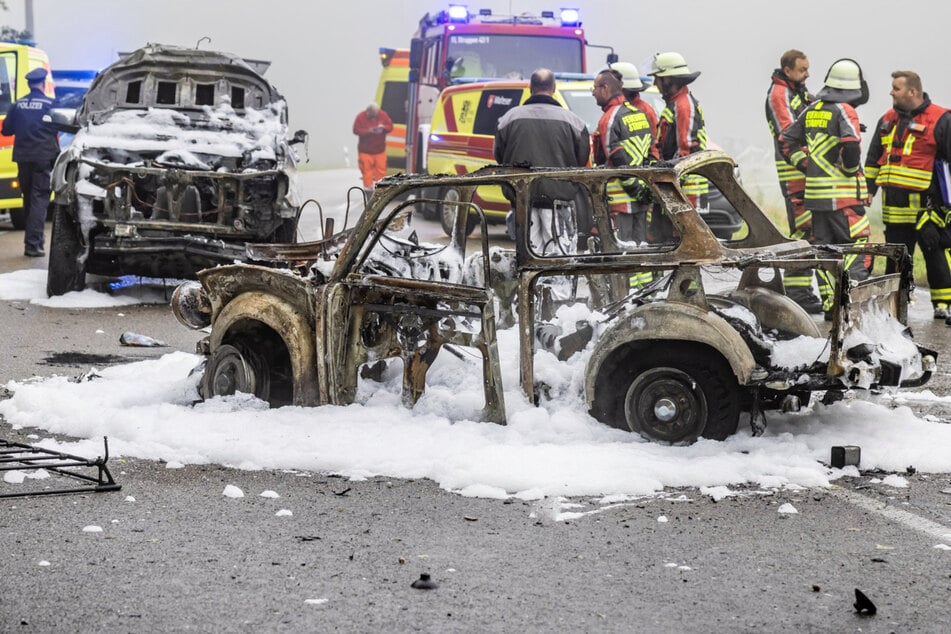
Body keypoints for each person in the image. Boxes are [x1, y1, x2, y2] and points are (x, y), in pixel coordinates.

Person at [781, 59, 872, 317]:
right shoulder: (845, 110)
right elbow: (852, 147)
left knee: (824, 252)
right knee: (854, 249)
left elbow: (786, 141)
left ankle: (833, 307)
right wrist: (850, 171)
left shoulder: (813, 108)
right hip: (843, 200)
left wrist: (807, 165)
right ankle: (853, 308)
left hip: (816, 199)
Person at [864, 70, 951, 321]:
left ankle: (943, 304)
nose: (891, 92)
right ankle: (893, 306)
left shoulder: (940, 120)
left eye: (896, 88)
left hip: (927, 209)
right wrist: (869, 189)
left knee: (935, 255)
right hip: (894, 209)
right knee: (896, 260)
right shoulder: (886, 120)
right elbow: (873, 160)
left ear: (912, 92)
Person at [494, 68, 590, 255]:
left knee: (528, 256)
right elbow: (581, 160)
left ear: (530, 88)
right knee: (559, 257)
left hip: (522, 199)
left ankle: (531, 284)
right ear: (554, 88)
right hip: (559, 201)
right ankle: (557, 284)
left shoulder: (508, 119)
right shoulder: (574, 122)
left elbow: (499, 156)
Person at [765, 49, 822, 313]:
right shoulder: (779, 95)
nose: (808, 74)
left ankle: (803, 293)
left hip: (808, 172)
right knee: (803, 232)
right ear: (787, 70)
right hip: (796, 173)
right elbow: (787, 135)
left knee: (811, 232)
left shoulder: (801, 92)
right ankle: (798, 293)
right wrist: (811, 163)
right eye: (802, 69)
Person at [591, 67, 656, 245]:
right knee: (642, 250)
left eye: (594, 89)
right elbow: (651, 154)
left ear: (605, 88)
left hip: (621, 202)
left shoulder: (609, 119)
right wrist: (645, 190)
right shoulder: (639, 114)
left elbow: (616, 159)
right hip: (642, 199)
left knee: (623, 253)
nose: (593, 94)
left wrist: (634, 188)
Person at [1, 67, 59, 258]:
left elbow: (6, 130)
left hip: (23, 158)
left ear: (28, 84)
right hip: (43, 158)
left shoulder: (18, 105)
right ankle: (33, 245)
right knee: (39, 200)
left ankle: (32, 242)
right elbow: (59, 127)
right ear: (43, 84)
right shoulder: (50, 104)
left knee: (29, 199)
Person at [352, 103, 393, 191]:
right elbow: (356, 130)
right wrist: (369, 131)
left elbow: (390, 127)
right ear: (368, 112)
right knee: (366, 171)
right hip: (365, 151)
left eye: (375, 115)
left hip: (380, 150)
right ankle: (368, 189)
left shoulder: (383, 115)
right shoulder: (360, 117)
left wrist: (383, 128)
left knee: (381, 170)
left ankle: (380, 189)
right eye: (372, 115)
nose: (374, 117)